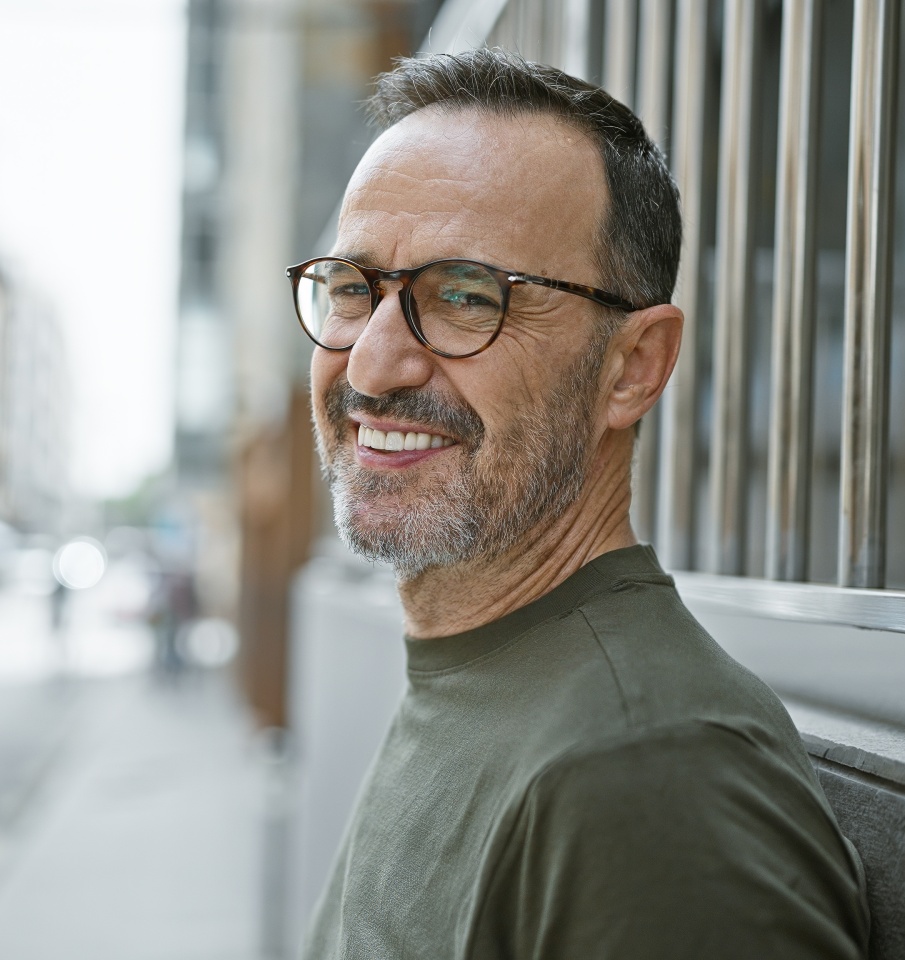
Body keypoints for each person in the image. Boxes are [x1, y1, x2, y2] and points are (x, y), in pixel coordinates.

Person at [291, 48, 869, 960]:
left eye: (466, 295)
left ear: (632, 368)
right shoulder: (482, 669)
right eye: (355, 289)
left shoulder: (646, 777)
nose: (371, 363)